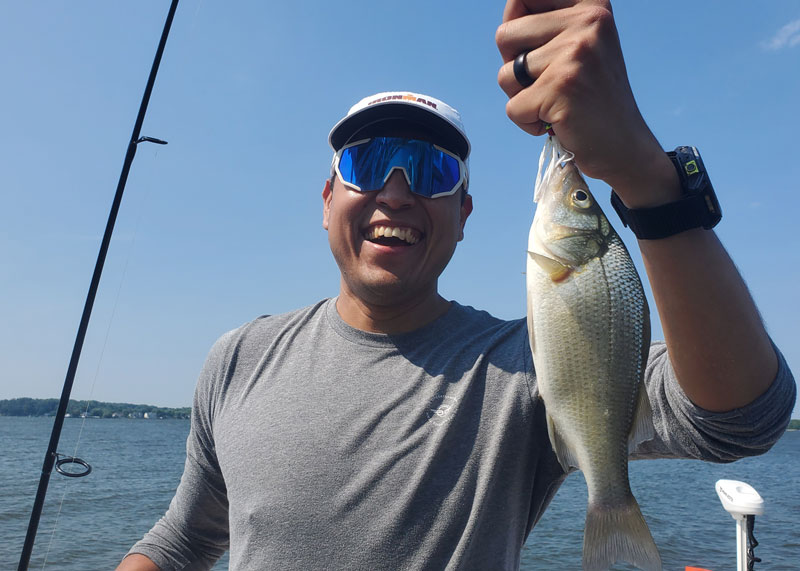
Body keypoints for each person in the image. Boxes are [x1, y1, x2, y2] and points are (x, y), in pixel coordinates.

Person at [117, 1, 795, 570]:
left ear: (464, 214)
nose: (396, 192)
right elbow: (184, 539)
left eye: (431, 170)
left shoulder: (523, 367)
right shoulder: (238, 358)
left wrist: (646, 177)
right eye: (368, 163)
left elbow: (740, 418)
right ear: (327, 200)